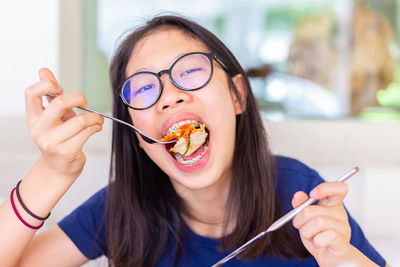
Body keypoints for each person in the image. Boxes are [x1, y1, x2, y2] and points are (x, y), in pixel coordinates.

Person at [0, 15, 388, 267]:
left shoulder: (297, 192)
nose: (169, 96)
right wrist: (50, 173)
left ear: (237, 95)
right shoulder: (121, 207)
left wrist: (347, 260)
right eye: (143, 88)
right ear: (138, 135)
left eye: (190, 72)